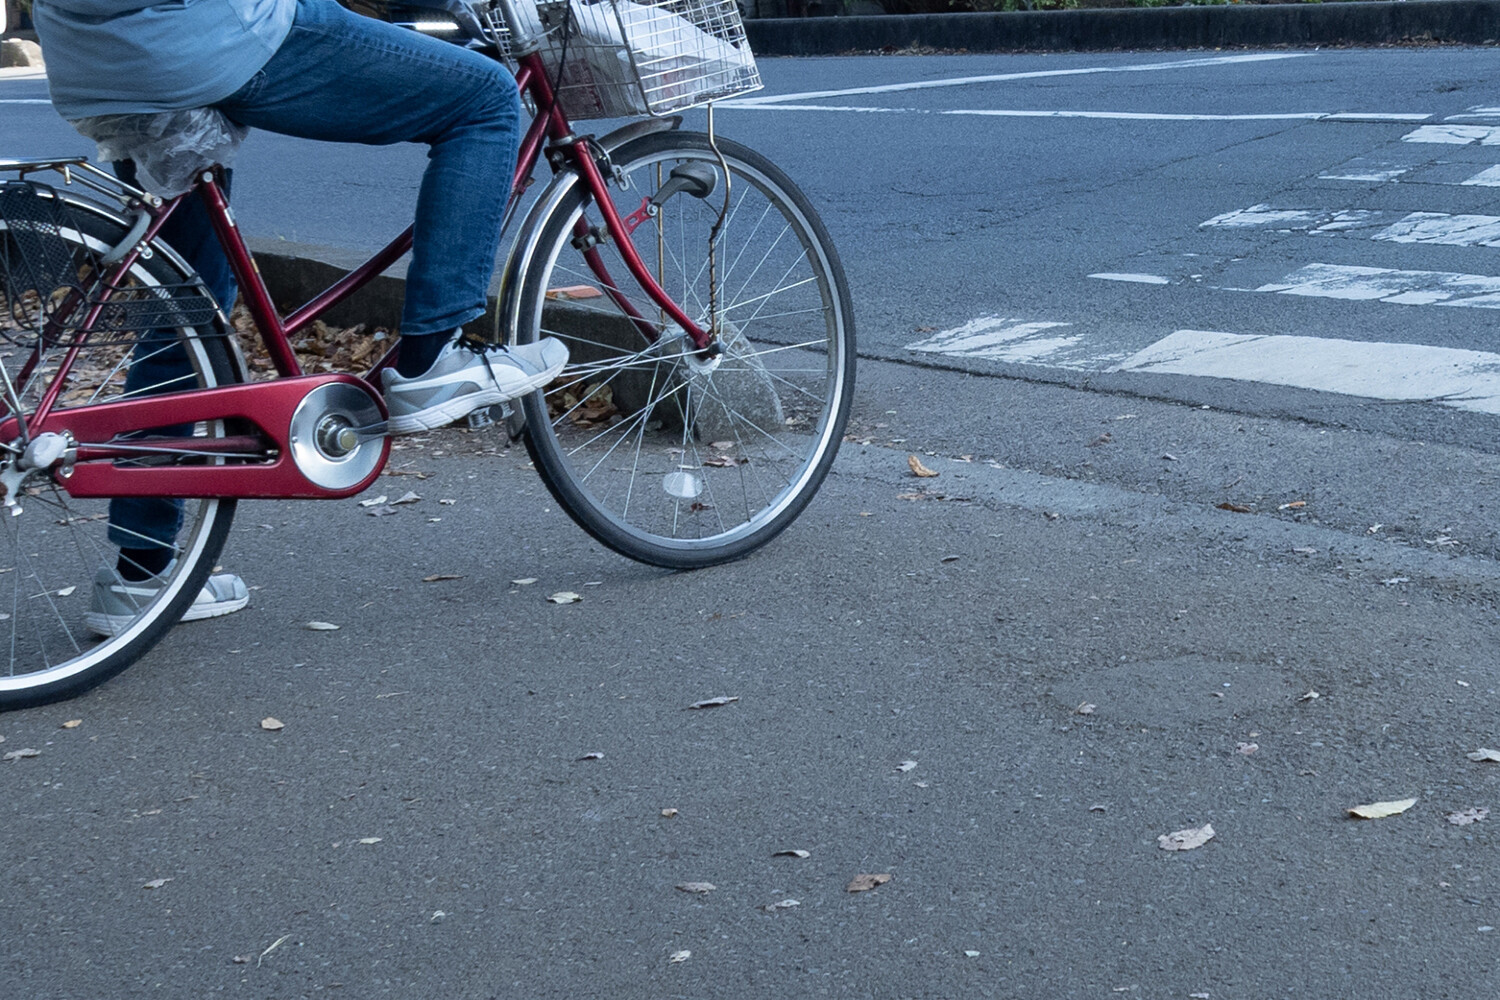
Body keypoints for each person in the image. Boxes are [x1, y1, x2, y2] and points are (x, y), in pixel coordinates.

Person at [29, 0, 567, 635]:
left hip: (91, 49)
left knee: (186, 308)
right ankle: (431, 362)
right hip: (202, 33)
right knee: (485, 98)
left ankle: (139, 575)